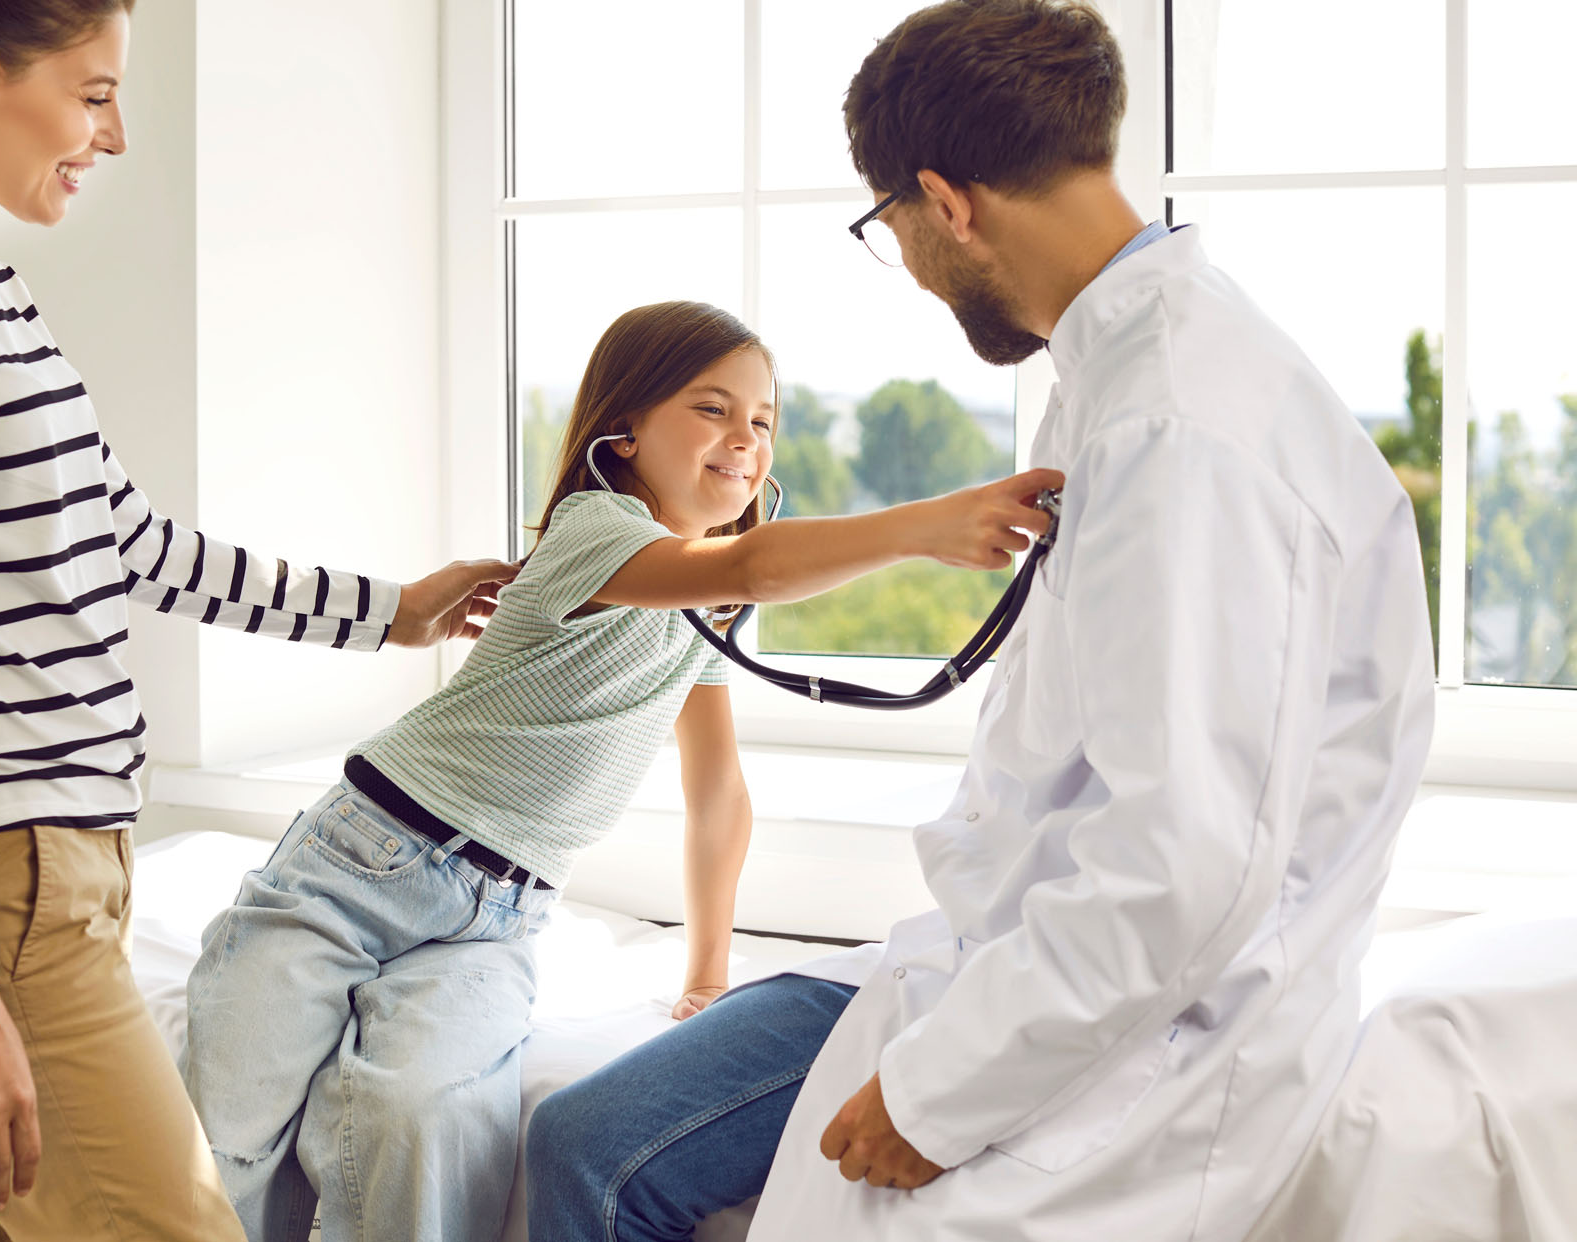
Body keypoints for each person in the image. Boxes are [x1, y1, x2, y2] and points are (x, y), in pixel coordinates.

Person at [524, 3, 1436, 1241]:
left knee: (631, 1164)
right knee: (585, 1139)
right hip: (993, 956)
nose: (903, 260)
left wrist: (935, 1098)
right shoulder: (1125, 378)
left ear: (945, 203)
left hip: (1119, 1040)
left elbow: (1183, 866)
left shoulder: (1178, 424)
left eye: (888, 225)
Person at [0, 2, 514, 1237]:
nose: (118, 133)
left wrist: (393, 615)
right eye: (94, 95)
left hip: (67, 868)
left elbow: (127, 539)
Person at [180, 298, 1062, 1242]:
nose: (745, 440)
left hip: (496, 925)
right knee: (223, 1133)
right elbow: (760, 567)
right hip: (360, 864)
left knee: (422, 1118)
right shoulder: (595, 533)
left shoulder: (705, 605)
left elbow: (717, 791)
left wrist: (709, 972)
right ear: (625, 430)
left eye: (764, 421)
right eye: (712, 408)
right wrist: (926, 525)